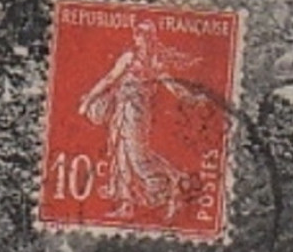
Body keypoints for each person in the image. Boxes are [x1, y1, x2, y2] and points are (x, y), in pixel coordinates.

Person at [78, 18, 202, 220]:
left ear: (151, 38)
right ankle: (126, 204)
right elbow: (109, 79)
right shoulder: (129, 57)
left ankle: (174, 182)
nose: (141, 39)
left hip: (138, 113)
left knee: (137, 156)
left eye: (145, 35)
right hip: (121, 110)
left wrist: (189, 97)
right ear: (135, 37)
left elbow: (171, 84)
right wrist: (89, 99)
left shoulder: (155, 62)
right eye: (138, 35)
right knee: (120, 154)